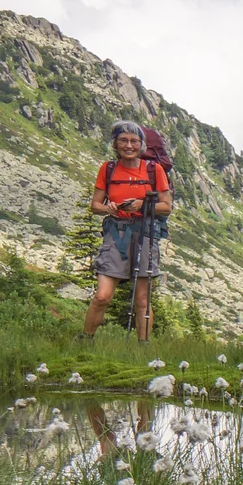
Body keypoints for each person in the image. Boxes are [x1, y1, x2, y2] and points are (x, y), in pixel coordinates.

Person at [82, 121, 172, 342]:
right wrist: (109, 208)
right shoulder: (108, 169)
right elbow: (95, 205)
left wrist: (142, 204)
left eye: (134, 141)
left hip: (146, 235)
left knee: (142, 299)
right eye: (123, 140)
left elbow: (166, 206)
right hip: (116, 235)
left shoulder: (154, 170)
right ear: (115, 144)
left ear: (141, 145)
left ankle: (143, 349)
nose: (128, 145)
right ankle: (84, 342)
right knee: (102, 296)